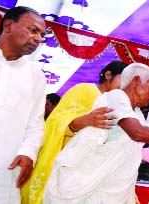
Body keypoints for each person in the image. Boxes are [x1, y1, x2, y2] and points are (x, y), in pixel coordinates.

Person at [43, 63, 149, 203]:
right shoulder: (116, 96)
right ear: (136, 81)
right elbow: (137, 133)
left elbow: (140, 138)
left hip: (110, 184)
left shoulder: (136, 112)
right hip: (85, 182)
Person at [22, 60, 128, 204]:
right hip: (63, 161)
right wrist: (85, 120)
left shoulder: (117, 103)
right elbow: (56, 121)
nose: (124, 85)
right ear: (108, 75)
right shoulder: (84, 90)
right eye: (123, 78)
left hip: (89, 167)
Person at [0, 6, 46, 203]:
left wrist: (28, 153)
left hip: (3, 174)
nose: (38, 39)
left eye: (42, 34)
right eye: (33, 30)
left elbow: (36, 124)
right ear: (8, 25)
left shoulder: (36, 76)